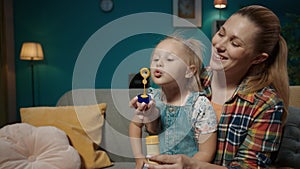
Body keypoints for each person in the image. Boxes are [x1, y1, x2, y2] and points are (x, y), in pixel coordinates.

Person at [143, 5, 290, 169]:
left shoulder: (266, 104)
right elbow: (159, 132)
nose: (219, 44)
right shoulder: (191, 78)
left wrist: (193, 166)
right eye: (221, 33)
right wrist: (150, 116)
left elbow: (249, 166)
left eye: (235, 43)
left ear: (257, 58)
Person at [129, 35, 218, 169]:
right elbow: (135, 125)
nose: (158, 64)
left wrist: (186, 165)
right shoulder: (150, 98)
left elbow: (206, 152)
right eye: (155, 59)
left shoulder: (199, 105)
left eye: (169, 59)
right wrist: (139, 157)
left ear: (189, 71)